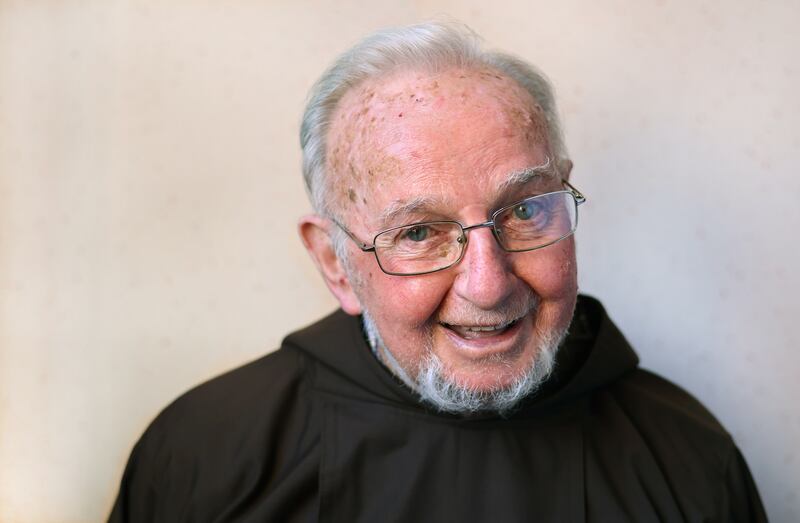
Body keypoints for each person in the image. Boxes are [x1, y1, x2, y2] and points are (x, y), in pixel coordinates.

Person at [109, 20, 767, 522]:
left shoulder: (690, 458)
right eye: (419, 232)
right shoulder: (203, 457)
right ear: (335, 264)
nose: (488, 284)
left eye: (524, 211)